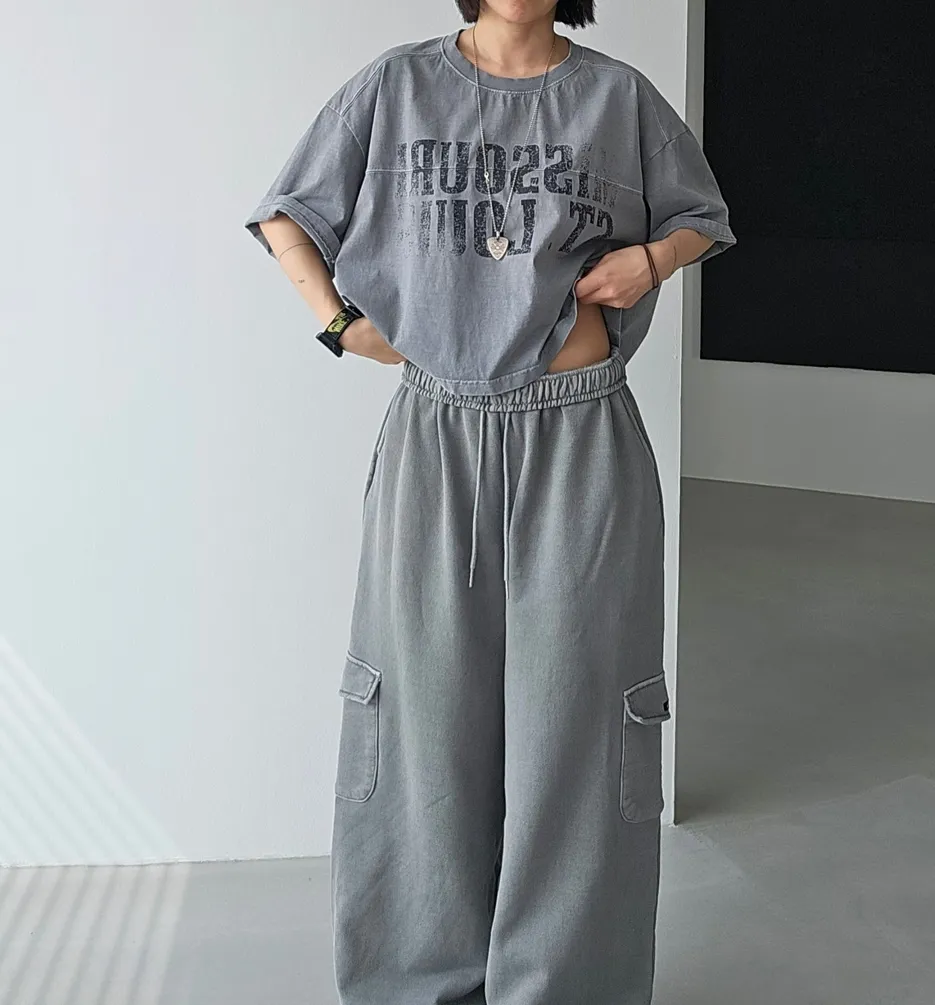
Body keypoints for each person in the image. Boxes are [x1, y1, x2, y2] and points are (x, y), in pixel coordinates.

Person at [242, 2, 736, 1002]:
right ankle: (418, 981)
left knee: (579, 725)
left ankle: (565, 985)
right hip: (438, 435)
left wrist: (652, 259)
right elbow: (287, 211)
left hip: (582, 436)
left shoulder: (617, 98)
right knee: (420, 719)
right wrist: (338, 324)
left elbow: (702, 216)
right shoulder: (397, 86)